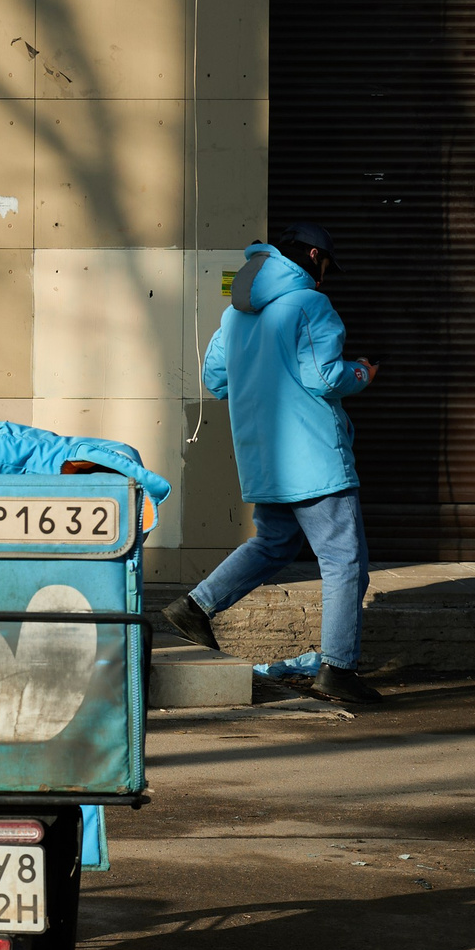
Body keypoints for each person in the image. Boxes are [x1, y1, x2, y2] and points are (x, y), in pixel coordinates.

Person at [164, 223, 382, 705]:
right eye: (327, 266)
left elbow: (216, 380)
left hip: (264, 459)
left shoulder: (235, 314)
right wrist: (362, 372)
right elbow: (325, 377)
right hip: (314, 458)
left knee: (275, 543)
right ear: (313, 256)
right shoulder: (310, 305)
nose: (325, 277)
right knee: (344, 562)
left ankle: (194, 607)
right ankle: (338, 670)